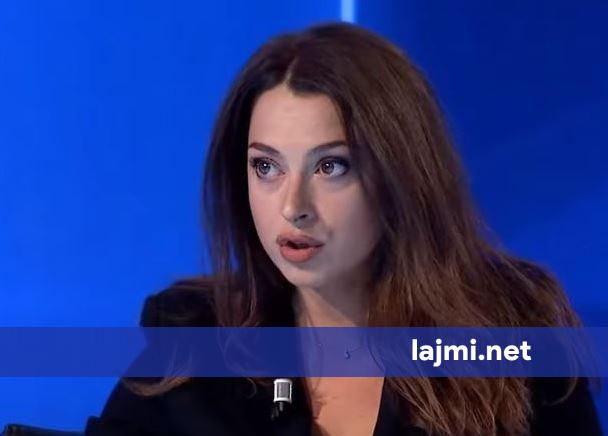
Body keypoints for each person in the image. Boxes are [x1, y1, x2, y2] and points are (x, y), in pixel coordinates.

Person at [84, 22, 602, 435]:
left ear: (402, 176)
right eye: (266, 167)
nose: (293, 206)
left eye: (331, 166)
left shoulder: (511, 335)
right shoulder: (195, 340)